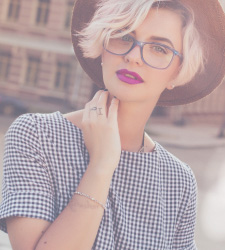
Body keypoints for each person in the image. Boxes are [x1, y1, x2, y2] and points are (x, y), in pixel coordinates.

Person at [0, 0, 225, 249]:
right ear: (103, 46)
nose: (133, 57)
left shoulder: (179, 181)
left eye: (159, 48)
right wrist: (101, 165)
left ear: (176, 72)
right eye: (123, 36)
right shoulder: (37, 136)